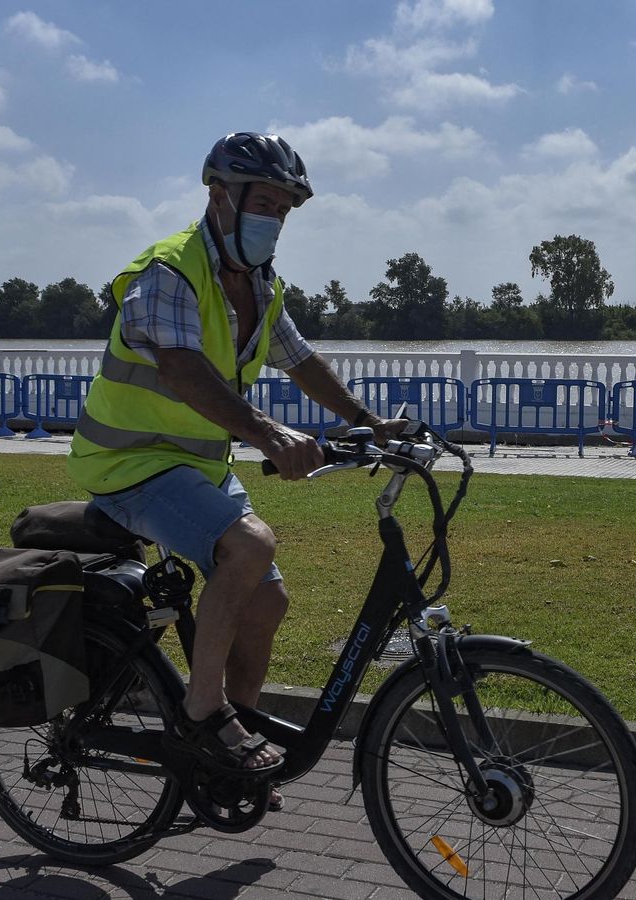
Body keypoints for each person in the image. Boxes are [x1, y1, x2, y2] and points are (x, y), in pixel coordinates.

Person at [66, 133, 402, 796]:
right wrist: (270, 435)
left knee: (267, 601)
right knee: (250, 545)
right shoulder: (169, 271)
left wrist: (368, 423)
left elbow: (300, 360)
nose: (274, 219)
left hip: (196, 468)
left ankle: (228, 749)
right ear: (220, 195)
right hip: (128, 463)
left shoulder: (260, 285)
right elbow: (182, 369)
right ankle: (202, 713)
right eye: (264, 203)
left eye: (283, 210)